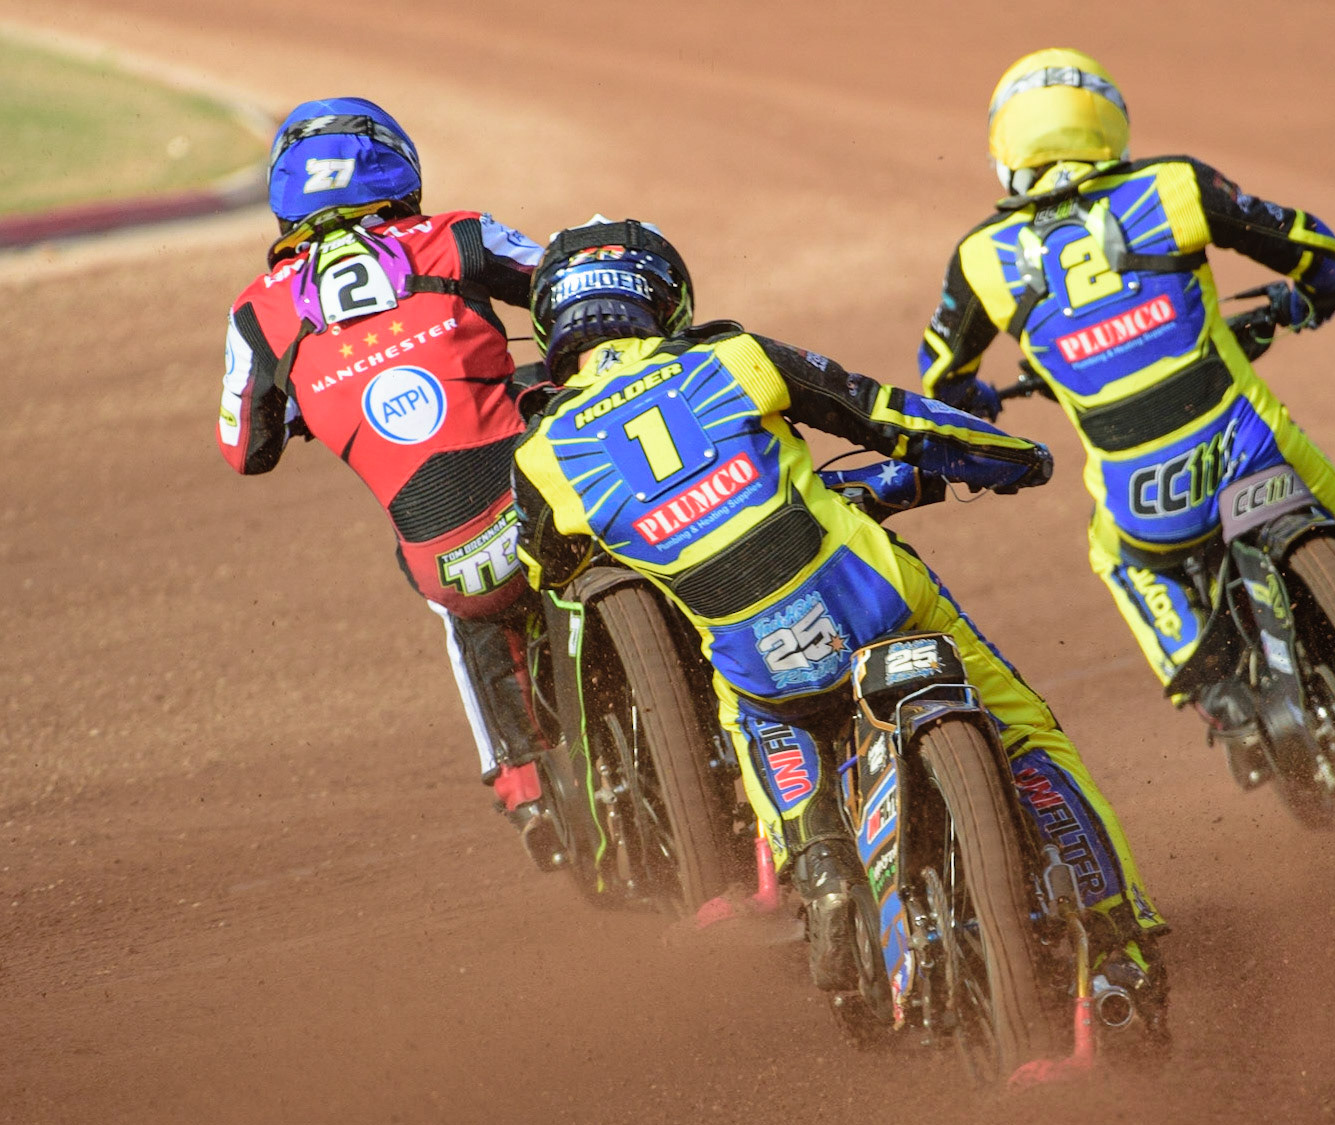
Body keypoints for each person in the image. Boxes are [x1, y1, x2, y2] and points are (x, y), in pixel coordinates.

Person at [511, 219, 1167, 1019]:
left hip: (761, 661)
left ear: (552, 326)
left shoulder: (541, 456)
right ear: (666, 300)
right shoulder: (732, 358)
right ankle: (1118, 937)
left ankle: (817, 867)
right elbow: (891, 416)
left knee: (750, 714)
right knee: (1027, 733)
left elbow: (552, 568)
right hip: (878, 605)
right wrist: (1010, 457)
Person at [914, 48, 1335, 808]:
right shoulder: (1171, 184)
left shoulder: (980, 257)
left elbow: (938, 377)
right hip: (1250, 442)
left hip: (1144, 501)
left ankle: (1221, 703)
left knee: (1117, 560)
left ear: (1006, 147)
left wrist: (982, 396)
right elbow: (1312, 246)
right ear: (1105, 123)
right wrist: (1312, 295)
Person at [215, 97, 564, 865]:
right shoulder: (455, 235)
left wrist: (311, 398)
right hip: (554, 504)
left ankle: (521, 778)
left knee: (444, 581)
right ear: (395, 166)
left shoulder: (257, 312)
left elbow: (244, 450)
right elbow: (571, 288)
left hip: (453, 560)